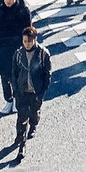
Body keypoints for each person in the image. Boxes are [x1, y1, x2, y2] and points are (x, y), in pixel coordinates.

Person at [9, 27, 51, 161]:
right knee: (22, 117)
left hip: (35, 92)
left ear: (35, 40)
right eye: (25, 41)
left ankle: (34, 124)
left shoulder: (42, 54)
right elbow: (14, 73)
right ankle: (22, 142)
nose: (27, 44)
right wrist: (15, 90)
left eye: (29, 41)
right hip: (22, 92)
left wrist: (42, 91)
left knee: (34, 113)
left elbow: (47, 74)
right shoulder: (18, 54)